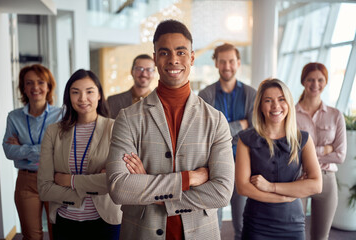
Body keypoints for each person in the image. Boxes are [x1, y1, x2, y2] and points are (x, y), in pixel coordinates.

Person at [106, 19, 235, 240]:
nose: (173, 59)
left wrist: (149, 188)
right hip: (142, 232)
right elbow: (119, 187)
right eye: (164, 53)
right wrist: (189, 178)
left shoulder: (216, 120)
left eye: (181, 52)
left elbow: (222, 192)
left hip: (201, 232)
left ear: (192, 57)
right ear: (155, 58)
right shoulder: (128, 118)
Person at [37, 69, 122, 240]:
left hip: (105, 221)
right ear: (69, 96)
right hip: (65, 222)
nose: (82, 98)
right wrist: (94, 184)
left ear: (99, 95)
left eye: (89, 91)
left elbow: (116, 182)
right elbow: (44, 188)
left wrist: (69, 181)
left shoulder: (115, 129)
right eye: (75, 92)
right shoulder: (54, 131)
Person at [235, 78, 322, 239]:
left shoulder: (303, 139)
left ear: (289, 103)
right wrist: (288, 194)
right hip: (257, 224)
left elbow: (316, 185)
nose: (276, 106)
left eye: (281, 99)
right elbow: (243, 187)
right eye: (268, 100)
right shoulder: (245, 139)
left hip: (293, 223)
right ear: (260, 106)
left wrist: (270, 187)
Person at [198, 43, 256, 236]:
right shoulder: (205, 95)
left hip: (243, 165)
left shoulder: (251, 94)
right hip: (214, 166)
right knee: (214, 223)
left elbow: (254, 133)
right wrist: (240, 125)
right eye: (222, 61)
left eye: (231, 61)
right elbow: (207, 134)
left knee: (241, 223)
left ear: (238, 63)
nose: (227, 66)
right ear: (216, 63)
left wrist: (223, 132)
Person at [3, 64, 62, 240]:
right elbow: (8, 151)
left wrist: (23, 148)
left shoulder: (61, 115)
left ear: (49, 86)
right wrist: (45, 148)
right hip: (26, 181)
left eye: (40, 82)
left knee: (58, 233)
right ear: (23, 87)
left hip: (54, 179)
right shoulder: (14, 117)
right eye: (29, 83)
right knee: (31, 235)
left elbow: (60, 150)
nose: (35, 87)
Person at [296, 62, 346, 240]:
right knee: (296, 233)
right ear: (303, 81)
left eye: (320, 80)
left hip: (327, 180)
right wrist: (324, 149)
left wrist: (308, 152)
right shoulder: (291, 114)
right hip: (299, 177)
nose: (315, 84)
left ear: (325, 82)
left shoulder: (335, 115)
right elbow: (291, 152)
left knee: (321, 236)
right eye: (310, 79)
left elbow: (340, 155)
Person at [107, 54, 155, 118]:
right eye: (139, 69)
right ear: (132, 72)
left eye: (149, 70)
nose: (144, 74)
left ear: (154, 73)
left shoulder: (160, 102)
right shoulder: (113, 101)